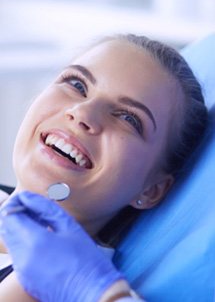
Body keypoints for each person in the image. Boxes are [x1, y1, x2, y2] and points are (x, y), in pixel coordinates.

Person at [0, 33, 208, 301]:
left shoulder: (32, 287)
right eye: (76, 83)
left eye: (129, 118)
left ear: (152, 189)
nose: (83, 113)